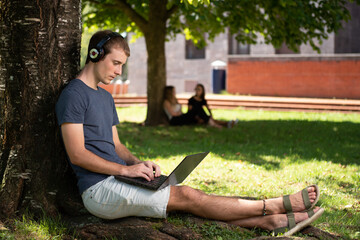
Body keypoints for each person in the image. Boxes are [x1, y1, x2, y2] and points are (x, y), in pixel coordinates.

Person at [55, 30, 324, 237]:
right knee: (188, 196)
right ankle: (274, 206)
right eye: (115, 63)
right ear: (94, 55)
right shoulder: (73, 96)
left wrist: (138, 165)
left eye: (122, 65)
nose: (118, 71)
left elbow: (116, 144)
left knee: (190, 200)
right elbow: (78, 154)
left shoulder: (104, 97)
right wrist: (125, 172)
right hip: (98, 191)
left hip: (119, 179)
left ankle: (270, 222)